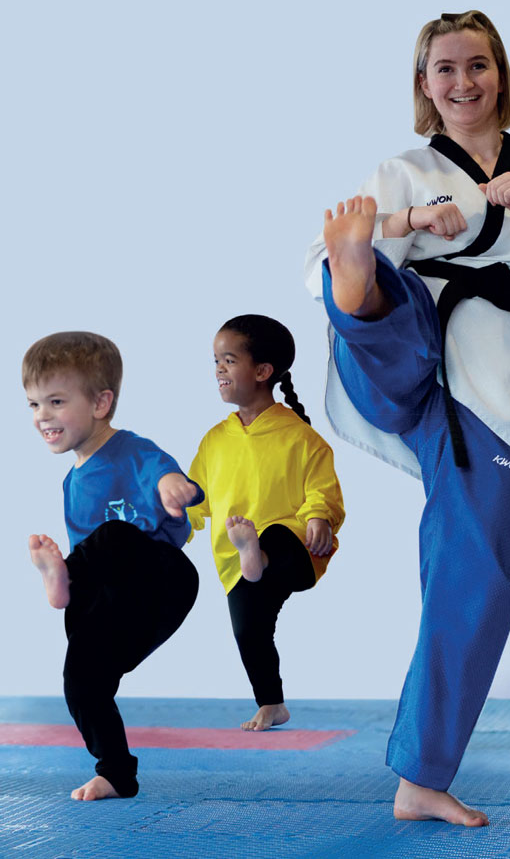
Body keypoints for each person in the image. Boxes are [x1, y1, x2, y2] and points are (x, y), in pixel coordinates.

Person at [305, 10, 510, 826]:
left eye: (476, 65)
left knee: (472, 570)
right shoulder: (406, 168)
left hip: (494, 384)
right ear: (424, 85)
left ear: (500, 72)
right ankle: (362, 277)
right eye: (443, 69)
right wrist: (405, 224)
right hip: (410, 345)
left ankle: (422, 774)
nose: (462, 82)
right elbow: (301, 264)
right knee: (380, 293)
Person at [23, 331, 203, 801]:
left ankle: (60, 581)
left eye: (56, 401)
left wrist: (171, 487)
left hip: (160, 577)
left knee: (113, 536)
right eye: (34, 405)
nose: (42, 416)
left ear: (101, 402)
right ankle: (116, 773)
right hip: (115, 600)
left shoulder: (130, 449)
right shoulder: (72, 483)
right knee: (80, 680)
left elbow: (161, 469)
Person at [187, 314, 345, 731]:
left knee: (275, 533)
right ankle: (272, 704)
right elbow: (194, 503)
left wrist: (318, 517)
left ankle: (256, 554)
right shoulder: (215, 440)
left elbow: (323, 489)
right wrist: (168, 530)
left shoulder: (301, 438)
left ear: (262, 372)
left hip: (296, 548)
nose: (218, 369)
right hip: (240, 562)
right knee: (248, 630)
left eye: (228, 360)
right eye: (215, 361)